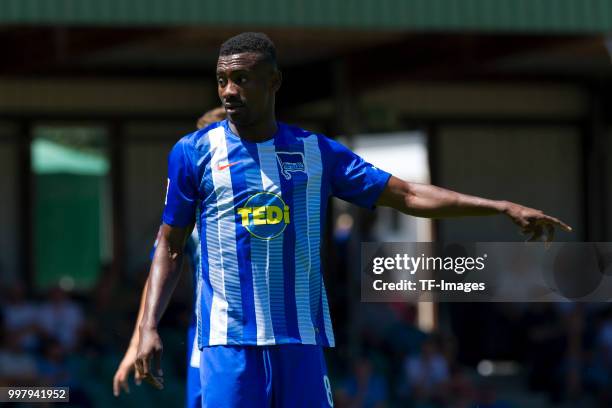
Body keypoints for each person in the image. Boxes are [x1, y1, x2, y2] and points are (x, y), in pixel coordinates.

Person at [134, 32, 572, 408]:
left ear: (274, 82)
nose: (229, 91)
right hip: (227, 345)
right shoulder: (193, 153)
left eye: (242, 79)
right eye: (222, 80)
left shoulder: (316, 152)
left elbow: (409, 194)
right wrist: (148, 327)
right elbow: (170, 245)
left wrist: (499, 206)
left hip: (300, 343)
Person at [112, 107, 226, 407]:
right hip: (206, 335)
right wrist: (137, 342)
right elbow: (156, 278)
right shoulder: (188, 215)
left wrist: (370, 291)